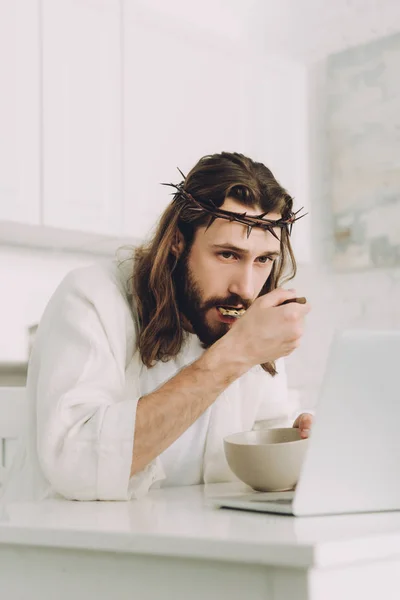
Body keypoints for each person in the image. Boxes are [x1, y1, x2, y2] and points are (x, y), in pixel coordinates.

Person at [1, 152, 312, 502]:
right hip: (66, 546)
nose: (246, 287)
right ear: (178, 240)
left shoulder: (249, 316)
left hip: (199, 543)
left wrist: (300, 445)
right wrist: (234, 356)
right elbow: (77, 465)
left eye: (263, 260)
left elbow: (262, 439)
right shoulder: (91, 297)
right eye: (228, 255)